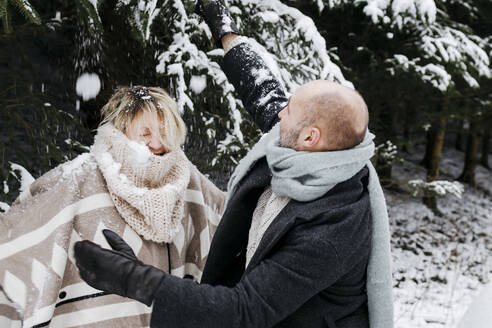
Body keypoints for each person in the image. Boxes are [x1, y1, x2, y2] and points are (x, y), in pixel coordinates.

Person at [74, 1, 394, 327]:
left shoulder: (333, 229)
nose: (280, 112)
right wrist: (225, 31)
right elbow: (264, 90)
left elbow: (241, 312)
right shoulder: (317, 150)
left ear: (310, 137)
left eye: (290, 111)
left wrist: (134, 279)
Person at [0, 86, 225, 327]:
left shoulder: (187, 181)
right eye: (145, 132)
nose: (157, 143)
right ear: (122, 128)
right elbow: (19, 240)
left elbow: (232, 219)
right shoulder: (81, 178)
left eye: (163, 131)